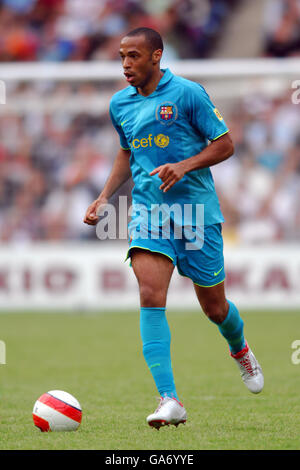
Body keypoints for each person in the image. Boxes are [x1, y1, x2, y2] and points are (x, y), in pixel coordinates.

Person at [84, 27, 264, 430]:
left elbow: (225, 144)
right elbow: (126, 151)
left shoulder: (188, 93)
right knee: (150, 292)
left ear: (156, 56)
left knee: (215, 309)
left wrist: (184, 166)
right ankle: (169, 399)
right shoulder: (120, 104)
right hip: (149, 212)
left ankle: (240, 348)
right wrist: (104, 197)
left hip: (197, 214)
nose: (126, 64)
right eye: (121, 56)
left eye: (134, 56)